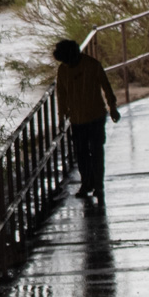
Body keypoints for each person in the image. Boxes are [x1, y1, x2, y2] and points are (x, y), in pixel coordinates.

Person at [53, 38, 121, 200]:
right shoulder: (63, 70)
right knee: (82, 154)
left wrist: (112, 108)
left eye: (68, 60)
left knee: (96, 151)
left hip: (95, 116)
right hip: (76, 120)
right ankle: (87, 183)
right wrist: (61, 117)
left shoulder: (92, 65)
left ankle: (98, 185)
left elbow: (106, 87)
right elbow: (61, 94)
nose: (67, 64)